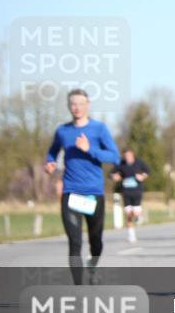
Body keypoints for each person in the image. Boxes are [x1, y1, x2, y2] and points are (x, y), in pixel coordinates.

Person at [44, 88, 121, 284]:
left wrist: (90, 149)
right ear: (69, 106)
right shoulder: (63, 131)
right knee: (75, 242)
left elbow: (114, 157)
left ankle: (92, 267)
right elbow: (52, 152)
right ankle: (78, 288)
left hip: (94, 193)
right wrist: (50, 162)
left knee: (96, 242)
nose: (76, 107)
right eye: (73, 104)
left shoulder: (99, 129)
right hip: (71, 192)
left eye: (80, 103)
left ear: (87, 105)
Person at [111, 148, 150, 243]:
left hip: (137, 191)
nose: (127, 157)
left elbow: (148, 171)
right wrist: (114, 176)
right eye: (126, 156)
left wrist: (142, 176)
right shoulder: (121, 164)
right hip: (126, 192)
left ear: (132, 155)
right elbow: (112, 173)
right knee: (128, 214)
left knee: (135, 212)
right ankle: (131, 235)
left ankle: (138, 216)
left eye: (129, 155)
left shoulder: (139, 162)